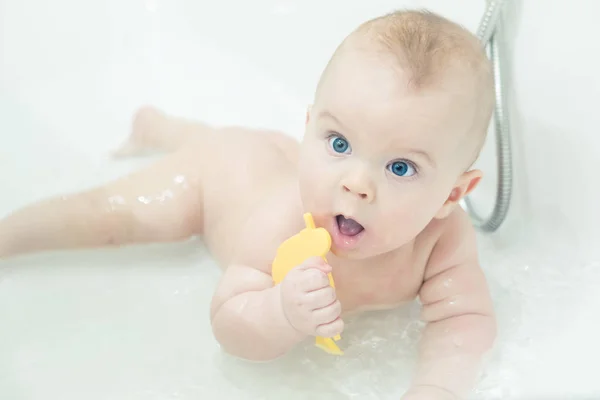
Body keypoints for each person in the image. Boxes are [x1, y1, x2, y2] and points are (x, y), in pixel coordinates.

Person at [0, 9, 497, 400]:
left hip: (263, 152)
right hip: (218, 178)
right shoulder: (282, 222)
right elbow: (228, 324)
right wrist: (279, 313)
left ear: (452, 195)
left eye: (400, 168)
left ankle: (163, 128)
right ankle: (11, 234)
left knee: (240, 143)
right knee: (114, 215)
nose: (356, 184)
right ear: (309, 128)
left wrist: (436, 389)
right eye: (339, 143)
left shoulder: (443, 239)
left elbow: (464, 319)